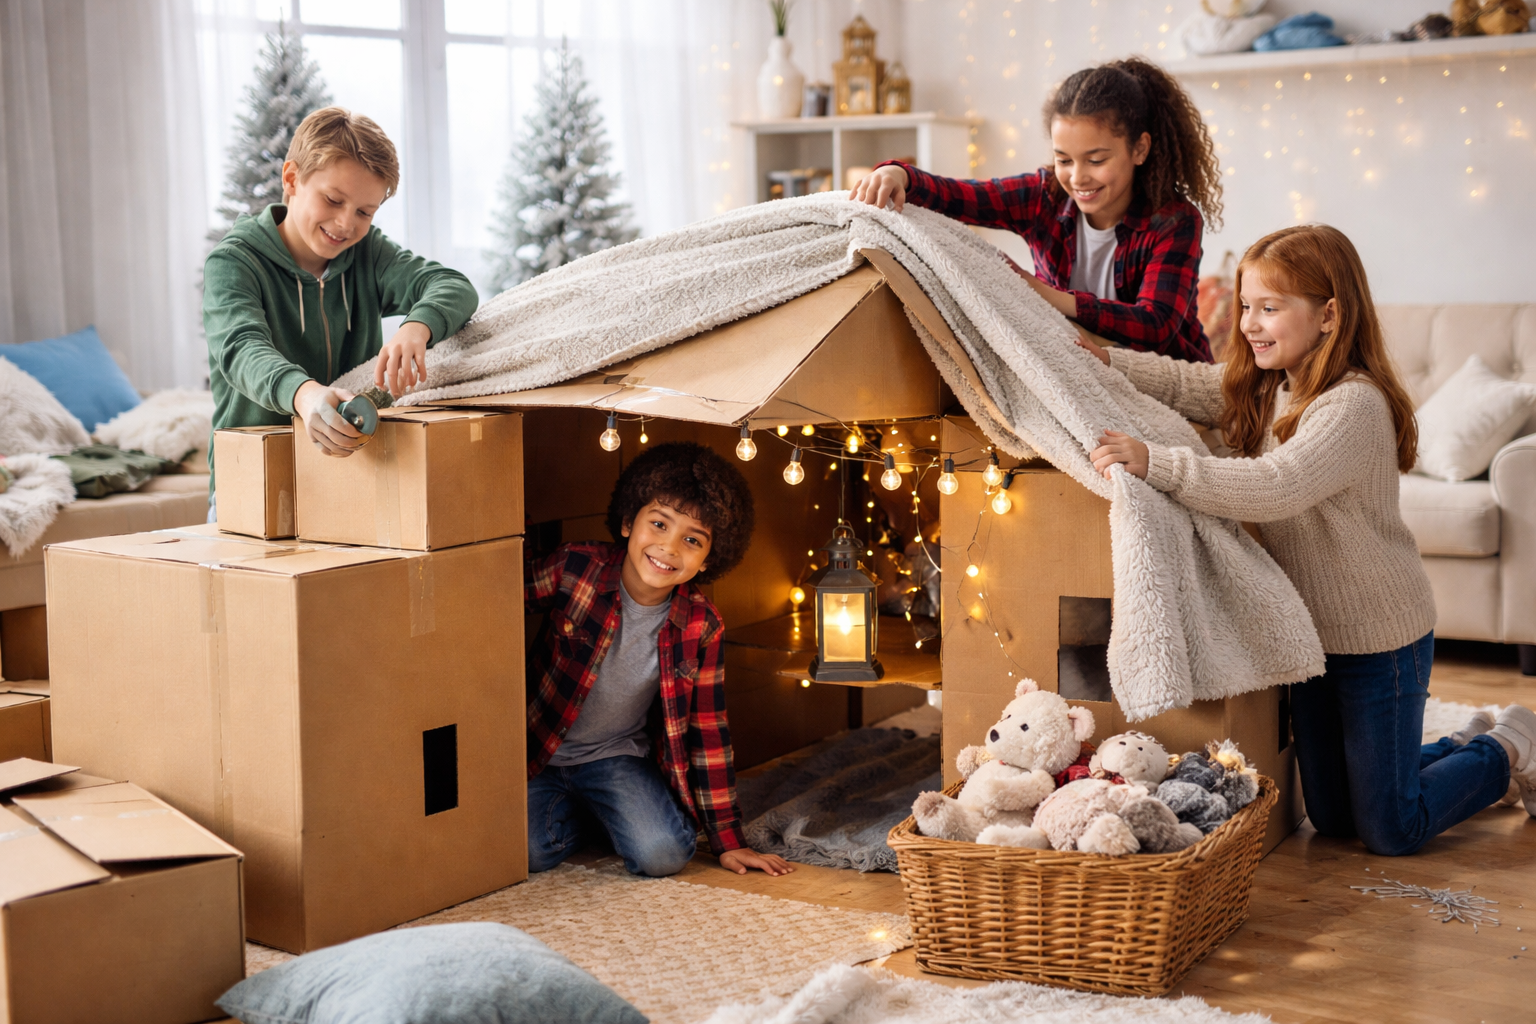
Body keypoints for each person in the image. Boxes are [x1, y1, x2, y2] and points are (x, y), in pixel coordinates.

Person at [1080, 224, 1536, 854]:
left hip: (1381, 639)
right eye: (1246, 305)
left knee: (1390, 829)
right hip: (1311, 642)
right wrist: (1102, 359)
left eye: (1270, 308)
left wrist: (1157, 463)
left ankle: (1505, 745)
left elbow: (1276, 485)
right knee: (1332, 816)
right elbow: (1188, 384)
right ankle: (1460, 745)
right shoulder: (1273, 384)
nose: (1250, 323)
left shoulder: (1353, 405)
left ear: (1329, 315)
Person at [524, 441, 794, 878]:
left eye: (692, 540)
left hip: (616, 757)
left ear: (708, 560)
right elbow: (503, 586)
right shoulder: (575, 567)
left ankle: (614, 811)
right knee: (528, 852)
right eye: (658, 524)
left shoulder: (701, 624)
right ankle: (597, 818)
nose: (669, 548)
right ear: (628, 522)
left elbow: (708, 731)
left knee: (663, 856)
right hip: (539, 752)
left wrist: (728, 840)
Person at [851, 57, 1220, 362]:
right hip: (1087, 372)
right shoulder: (1045, 196)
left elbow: (1155, 325)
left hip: (1174, 380)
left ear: (1139, 149)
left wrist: (1044, 294)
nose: (1078, 177)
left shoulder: (1174, 220)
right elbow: (960, 196)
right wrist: (898, 174)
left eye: (1095, 160)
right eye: (1064, 160)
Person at [202, 106, 479, 500]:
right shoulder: (234, 261)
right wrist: (305, 394)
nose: (347, 224)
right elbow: (242, 349)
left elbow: (452, 285)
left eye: (365, 212)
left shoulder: (368, 253)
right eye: (333, 200)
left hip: (349, 481)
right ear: (292, 178)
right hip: (254, 486)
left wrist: (416, 328)